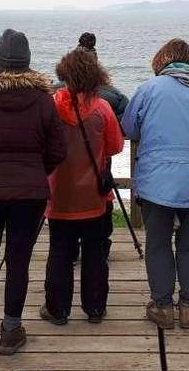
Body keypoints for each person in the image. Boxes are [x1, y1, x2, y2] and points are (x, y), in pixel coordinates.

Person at [0, 29, 67, 356]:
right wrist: (35, 171)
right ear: (27, 60)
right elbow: (57, 149)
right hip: (30, 193)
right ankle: (10, 330)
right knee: (18, 261)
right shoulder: (43, 99)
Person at [122, 39, 189, 330]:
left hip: (158, 177)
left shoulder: (149, 89)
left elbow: (129, 127)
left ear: (161, 62)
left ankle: (162, 307)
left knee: (158, 243)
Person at [40, 49, 124, 326]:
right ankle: (95, 308)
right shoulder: (103, 109)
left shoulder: (50, 107)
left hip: (58, 195)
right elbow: (115, 146)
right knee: (95, 253)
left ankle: (57, 309)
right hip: (94, 197)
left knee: (59, 252)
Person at [69, 31, 129, 260]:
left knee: (68, 197)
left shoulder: (58, 93)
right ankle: (101, 245)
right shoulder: (112, 96)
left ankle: (70, 248)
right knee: (102, 196)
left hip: (67, 163)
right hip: (100, 159)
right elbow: (124, 131)